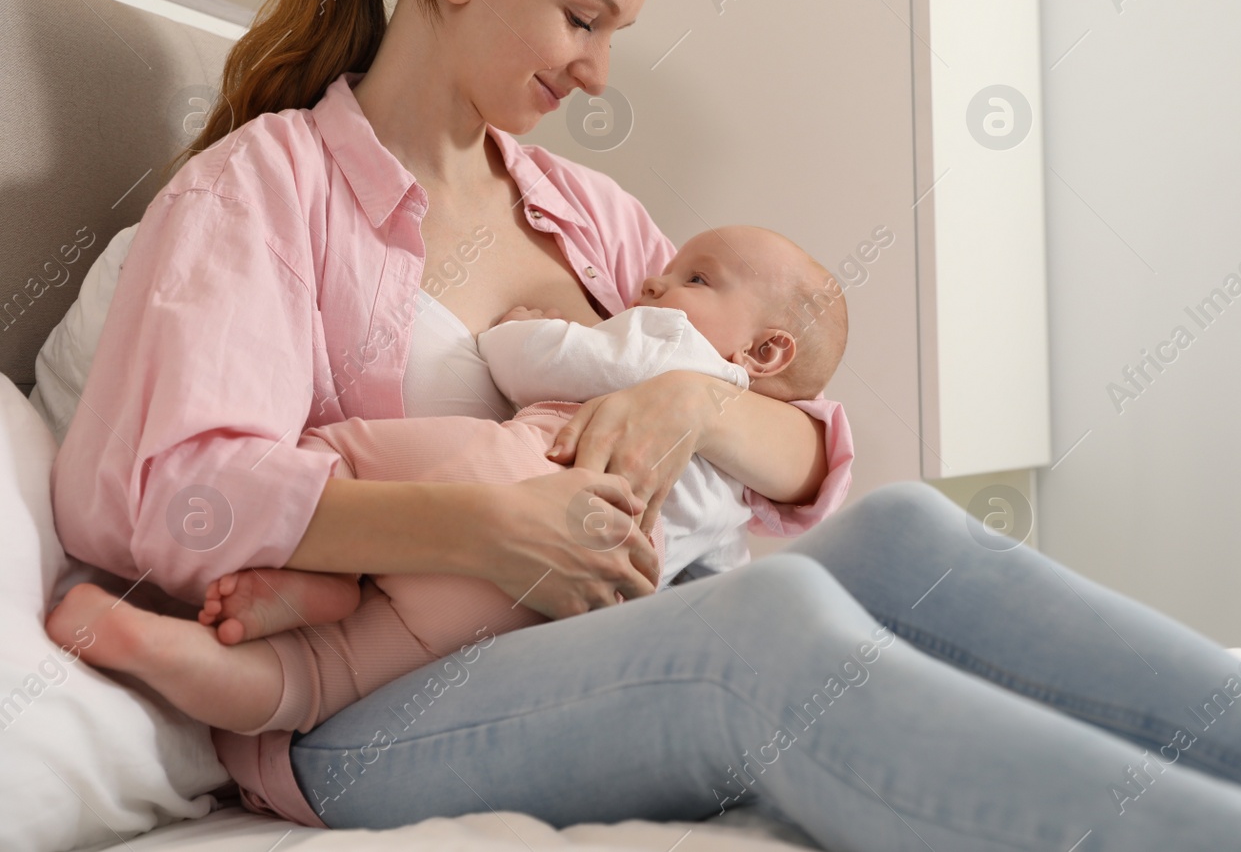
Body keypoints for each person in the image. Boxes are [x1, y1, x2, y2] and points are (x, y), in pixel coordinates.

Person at [43, 0, 1241, 851]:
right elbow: (148, 489)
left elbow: (800, 454)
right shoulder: (268, 194)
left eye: (615, 33)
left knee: (909, 536)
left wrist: (697, 410)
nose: (597, 70)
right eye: (581, 17)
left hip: (602, 621)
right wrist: (478, 524)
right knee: (768, 633)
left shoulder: (582, 214)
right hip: (362, 715)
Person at [48, 224, 851, 736]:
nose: (650, 282)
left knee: (333, 453)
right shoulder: (737, 494)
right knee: (323, 682)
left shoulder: (669, 345)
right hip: (531, 615)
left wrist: (522, 333)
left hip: (504, 477)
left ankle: (319, 570)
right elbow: (713, 585)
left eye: (695, 276)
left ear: (766, 352)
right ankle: (166, 648)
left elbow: (535, 359)